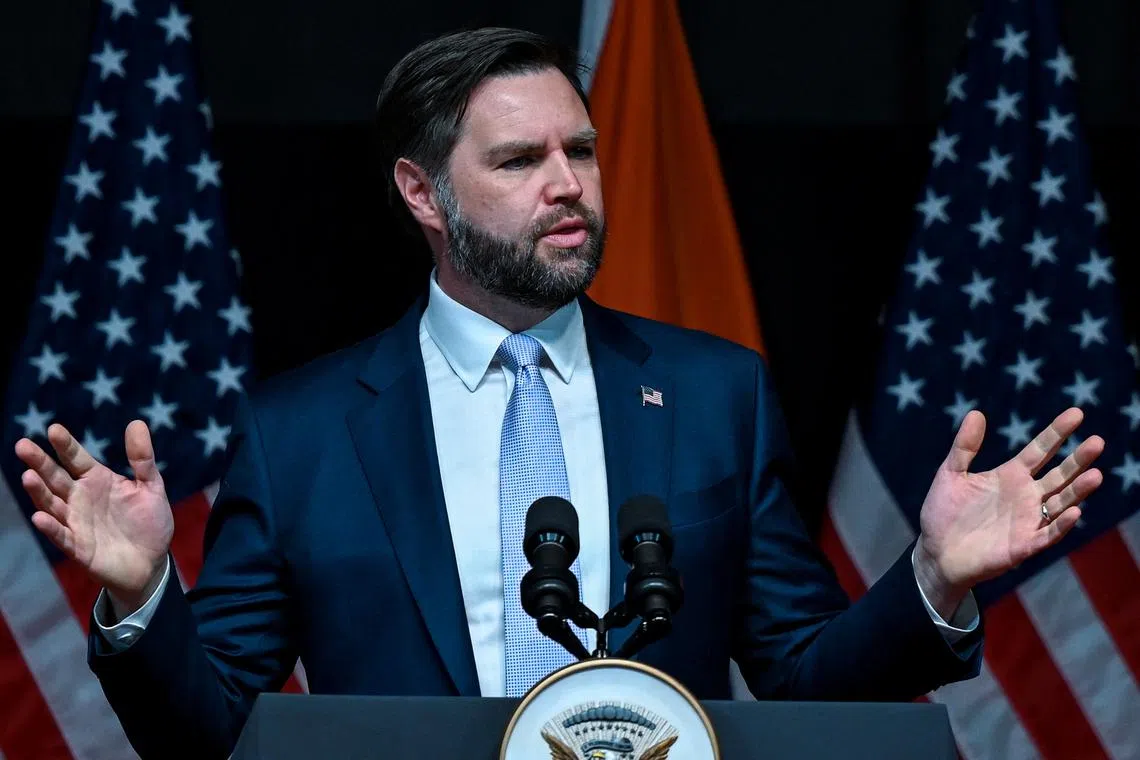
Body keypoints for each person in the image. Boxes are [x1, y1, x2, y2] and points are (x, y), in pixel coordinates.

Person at [14, 26, 1104, 760]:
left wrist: (930, 579)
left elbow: (806, 674)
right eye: (520, 159)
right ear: (422, 193)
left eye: (580, 149)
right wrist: (143, 597)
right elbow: (212, 731)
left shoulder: (715, 391)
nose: (568, 184)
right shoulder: (301, 433)